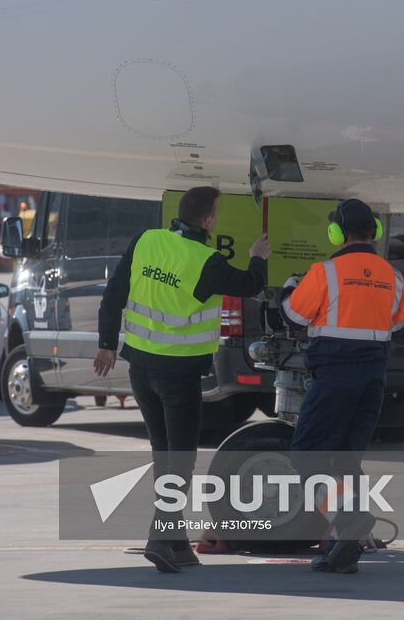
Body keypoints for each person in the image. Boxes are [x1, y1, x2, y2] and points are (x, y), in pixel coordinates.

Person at [94, 185, 270, 572]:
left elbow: (113, 295)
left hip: (141, 369)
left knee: (166, 458)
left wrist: (106, 344)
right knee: (181, 461)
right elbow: (251, 286)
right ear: (207, 221)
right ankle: (160, 537)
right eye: (217, 215)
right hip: (178, 373)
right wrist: (258, 258)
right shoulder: (206, 260)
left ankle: (175, 544)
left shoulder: (147, 241)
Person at [280, 199, 404, 575]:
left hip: (335, 376)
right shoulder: (394, 277)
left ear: (337, 233)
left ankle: (348, 522)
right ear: (375, 232)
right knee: (347, 462)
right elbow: (395, 324)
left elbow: (294, 313)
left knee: (307, 456)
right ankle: (343, 549)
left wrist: (290, 287)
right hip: (373, 378)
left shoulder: (325, 272)